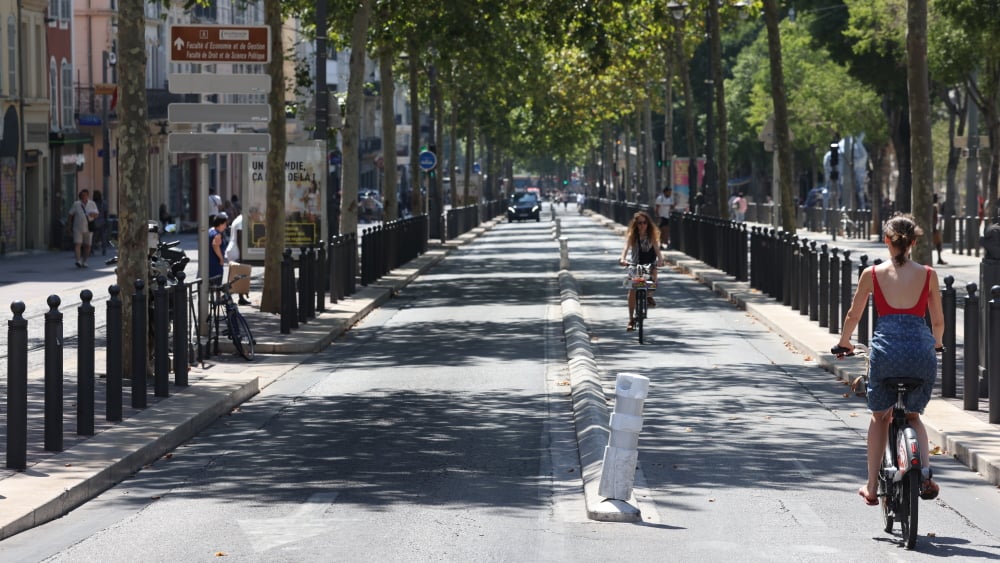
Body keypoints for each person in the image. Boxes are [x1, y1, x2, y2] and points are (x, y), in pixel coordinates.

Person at [835, 213, 943, 506]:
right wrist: (937, 344)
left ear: (887, 241)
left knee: (879, 417)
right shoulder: (929, 275)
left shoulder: (872, 275)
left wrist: (844, 343)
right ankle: (925, 475)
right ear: (914, 242)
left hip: (886, 354)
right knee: (913, 416)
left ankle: (871, 487)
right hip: (921, 354)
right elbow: (938, 322)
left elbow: (853, 315)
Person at [618, 211, 664, 332]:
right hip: (635, 264)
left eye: (644, 223)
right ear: (635, 224)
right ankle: (631, 319)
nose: (642, 225)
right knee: (632, 289)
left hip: (649, 264)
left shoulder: (652, 236)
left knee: (654, 273)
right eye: (639, 223)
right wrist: (622, 258)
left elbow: (657, 250)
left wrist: (660, 259)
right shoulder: (632, 235)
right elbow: (625, 248)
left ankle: (649, 295)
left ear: (648, 223)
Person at [68, 189, 99, 268]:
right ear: (80, 196)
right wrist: (69, 226)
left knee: (87, 245)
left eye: (85, 195)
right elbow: (70, 214)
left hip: (89, 227)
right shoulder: (76, 204)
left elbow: (97, 215)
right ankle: (78, 260)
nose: (83, 197)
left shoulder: (92, 204)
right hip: (77, 227)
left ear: (88, 196)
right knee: (77, 244)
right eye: (82, 195)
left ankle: (84, 261)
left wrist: (93, 215)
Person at [225, 214, 251, 305]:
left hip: (234, 249)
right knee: (235, 276)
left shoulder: (238, 218)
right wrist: (242, 255)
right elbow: (240, 237)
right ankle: (227, 296)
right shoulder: (242, 220)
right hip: (236, 250)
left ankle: (240, 297)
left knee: (238, 275)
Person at [208, 215, 228, 282]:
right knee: (216, 282)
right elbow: (215, 245)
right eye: (224, 224)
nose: (225, 227)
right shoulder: (217, 235)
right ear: (220, 224)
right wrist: (221, 258)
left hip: (209, 260)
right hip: (215, 262)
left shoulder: (210, 231)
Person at [91, 190, 108, 256]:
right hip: (102, 221)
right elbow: (105, 213)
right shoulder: (104, 203)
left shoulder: (93, 204)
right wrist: (106, 221)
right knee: (103, 237)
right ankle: (104, 250)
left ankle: (92, 250)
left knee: (93, 237)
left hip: (94, 221)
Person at [932, 193, 946, 265]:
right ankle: (939, 258)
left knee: (938, 244)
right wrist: (934, 228)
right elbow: (934, 219)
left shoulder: (934, 207)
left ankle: (939, 258)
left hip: (933, 228)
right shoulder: (934, 207)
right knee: (938, 244)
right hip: (933, 229)